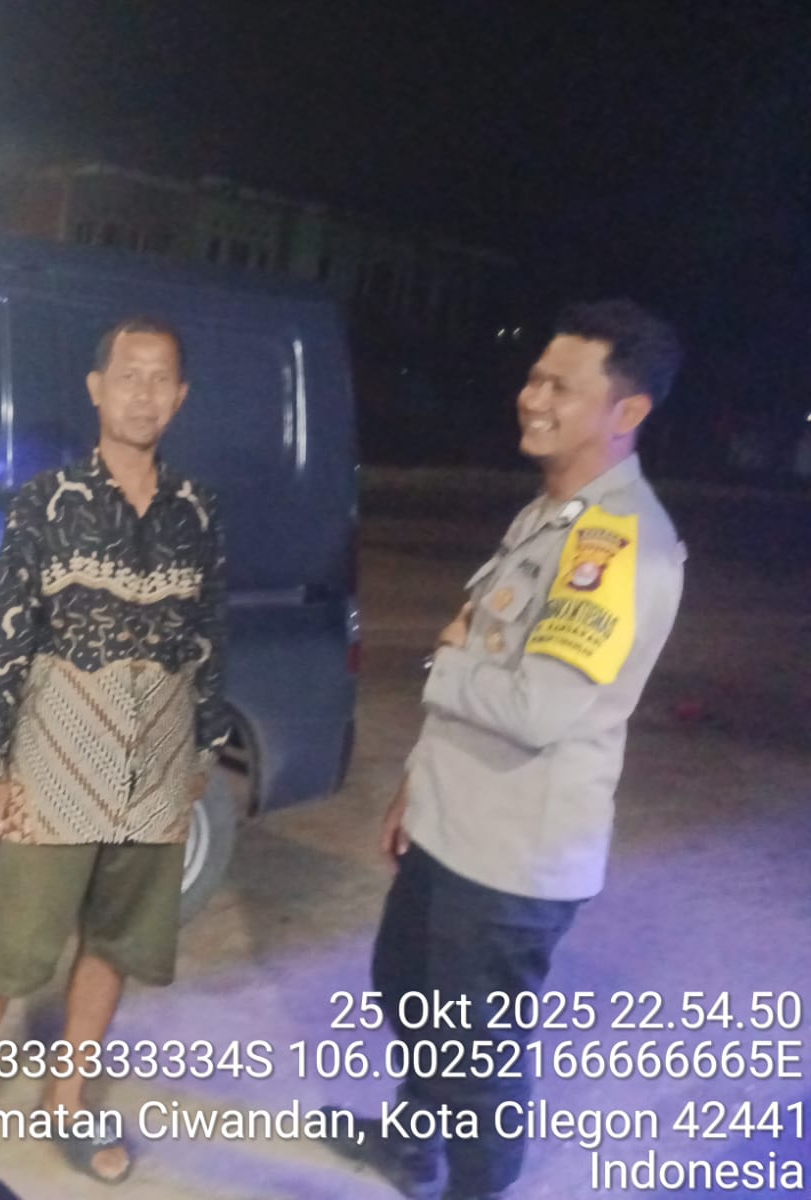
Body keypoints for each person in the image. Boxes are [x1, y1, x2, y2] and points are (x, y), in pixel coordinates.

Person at [360, 299, 686, 1200]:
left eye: (560, 387)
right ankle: (413, 1144)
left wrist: (444, 662)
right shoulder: (548, 516)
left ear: (626, 412)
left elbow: (538, 707)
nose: (531, 397)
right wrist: (414, 788)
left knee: (477, 1064)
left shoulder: (616, 545)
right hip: (453, 824)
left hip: (512, 858)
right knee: (404, 987)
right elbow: (490, 651)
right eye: (535, 378)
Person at [0, 316, 230, 1184]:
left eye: (160, 379)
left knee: (115, 943)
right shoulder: (46, 503)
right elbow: (3, 638)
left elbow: (208, 637)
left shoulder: (198, 510)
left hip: (157, 771)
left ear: (180, 396)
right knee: (8, 952)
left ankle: (68, 1097)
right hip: (55, 766)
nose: (143, 394)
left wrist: (204, 752)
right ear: (97, 389)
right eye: (128, 375)